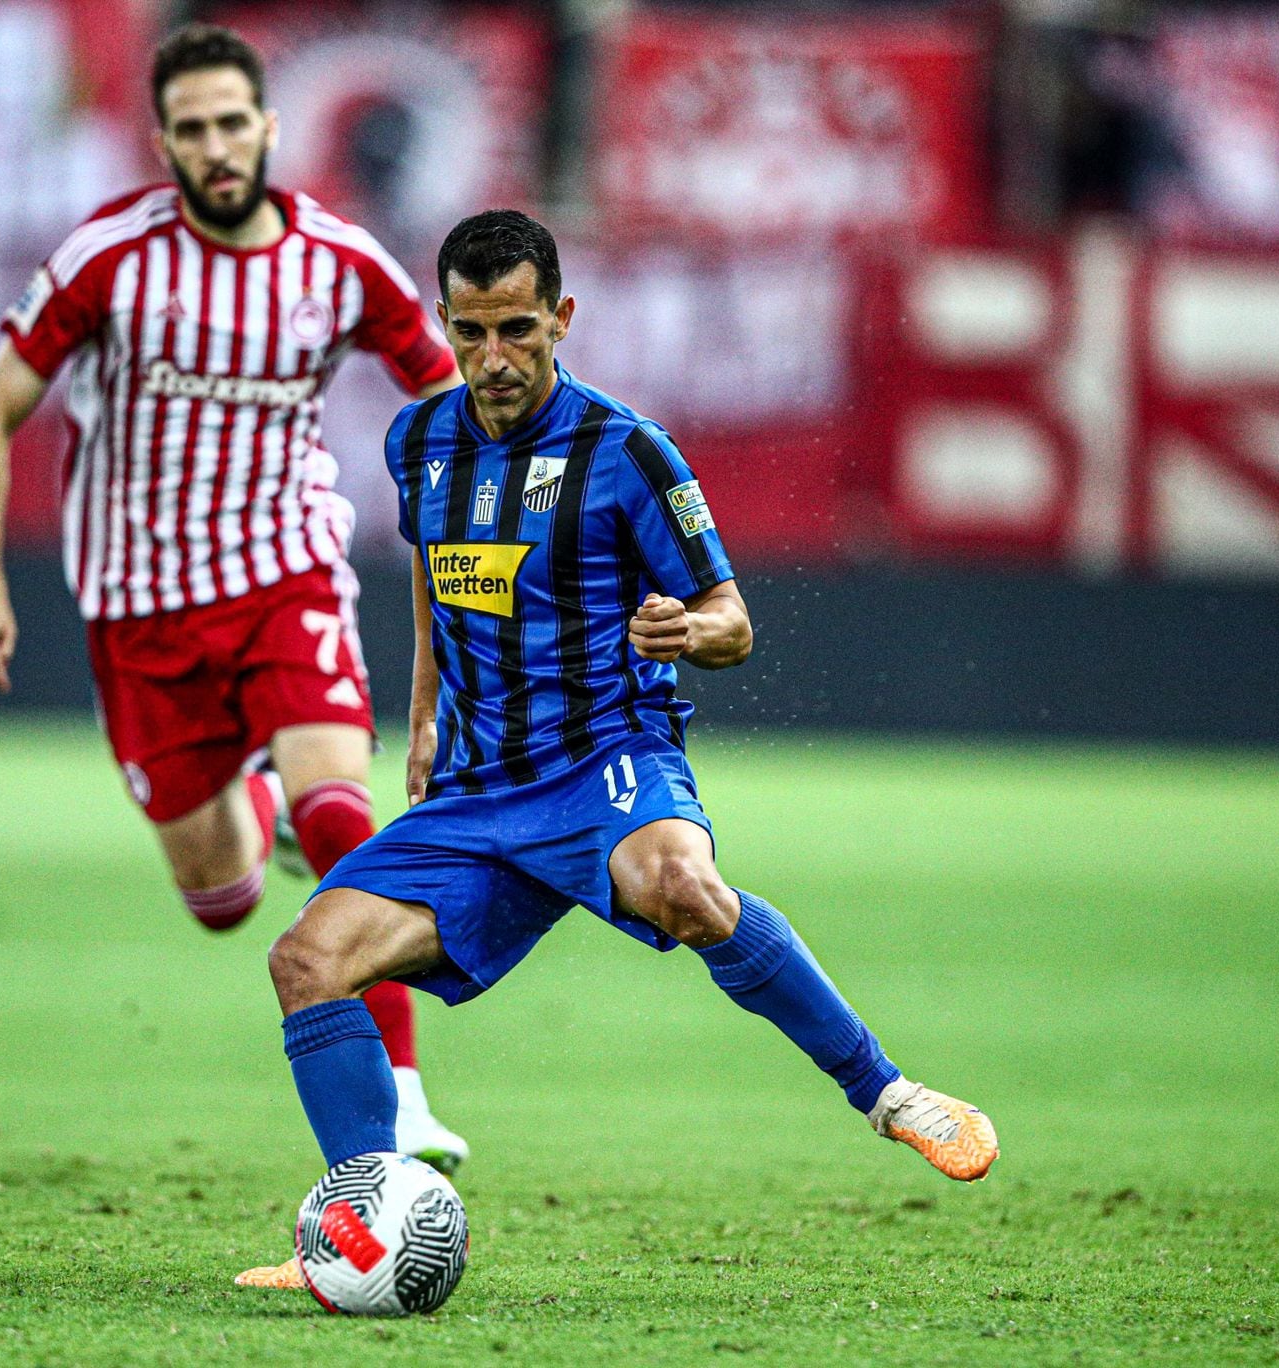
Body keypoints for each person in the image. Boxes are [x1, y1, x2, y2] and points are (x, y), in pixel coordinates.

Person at [235, 210, 997, 1289]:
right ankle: (361, 1224)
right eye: (468, 333)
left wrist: (688, 631)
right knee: (307, 961)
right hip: (474, 793)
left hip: (604, 763)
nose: (492, 359)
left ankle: (887, 1093)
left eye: (514, 329)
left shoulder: (627, 452)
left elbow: (731, 619)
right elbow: (427, 577)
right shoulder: (420, 440)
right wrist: (423, 718)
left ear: (560, 315)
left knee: (683, 886)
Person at [0, 24, 467, 1168]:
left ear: (269, 128)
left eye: (233, 123)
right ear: (163, 142)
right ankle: (261, 812)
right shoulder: (107, 258)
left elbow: (449, 393)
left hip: (285, 573)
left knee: (347, 814)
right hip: (140, 611)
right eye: (191, 130)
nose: (216, 147)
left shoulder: (339, 262)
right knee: (222, 899)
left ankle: (400, 1092)